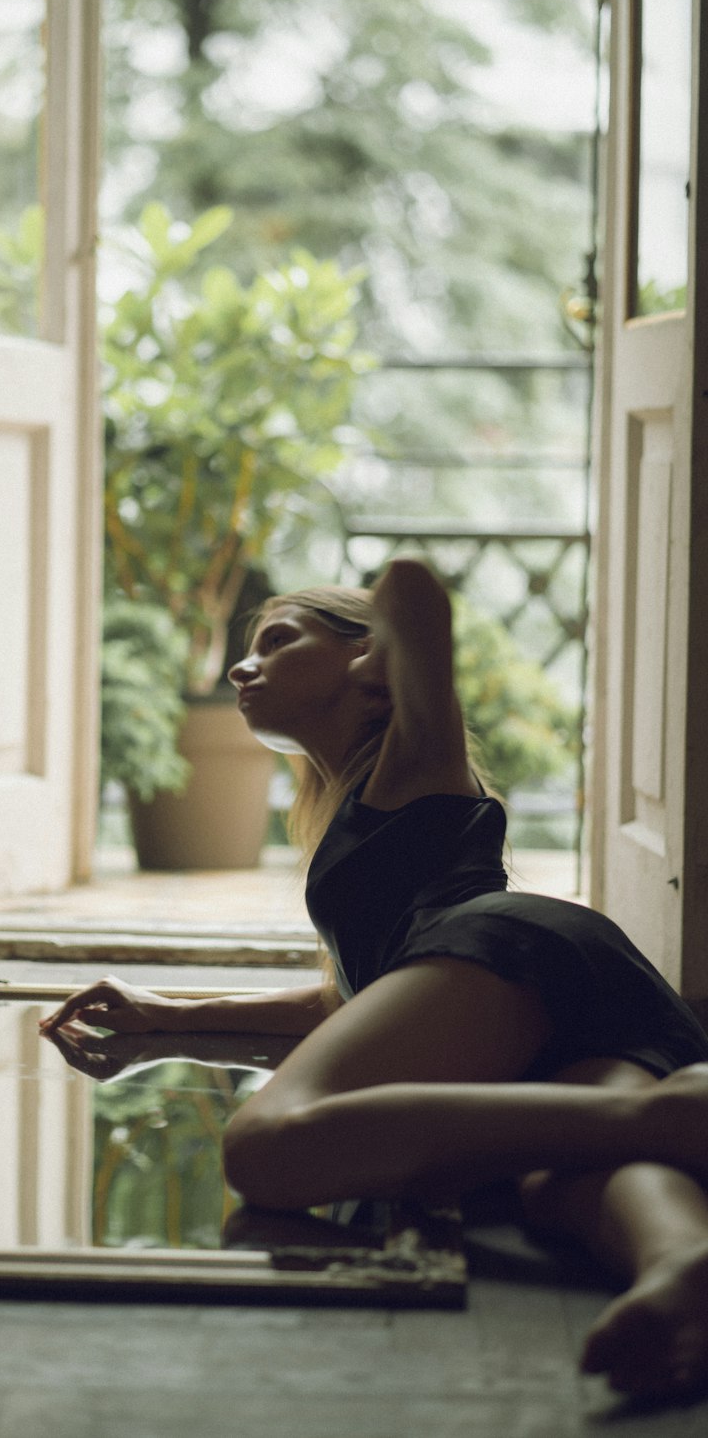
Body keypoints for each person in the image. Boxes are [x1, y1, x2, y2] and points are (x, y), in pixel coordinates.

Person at [41, 559, 708, 1402]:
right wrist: (171, 1013)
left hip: (504, 949)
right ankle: (681, 1259)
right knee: (569, 1172)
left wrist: (389, 651)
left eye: (277, 640)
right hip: (543, 982)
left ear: (372, 667)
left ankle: (672, 1111)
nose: (242, 667)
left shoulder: (411, 756)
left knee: (264, 1146)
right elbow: (359, 1003)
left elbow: (411, 587)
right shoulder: (355, 799)